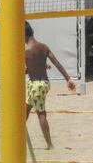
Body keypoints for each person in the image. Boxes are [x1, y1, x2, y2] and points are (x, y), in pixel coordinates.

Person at [25, 21, 76, 149]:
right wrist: (68, 79)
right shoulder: (43, 47)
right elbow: (57, 63)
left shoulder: (26, 51)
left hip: (36, 85)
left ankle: (50, 144)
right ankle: (18, 135)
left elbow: (26, 69)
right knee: (25, 109)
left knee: (41, 114)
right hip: (44, 83)